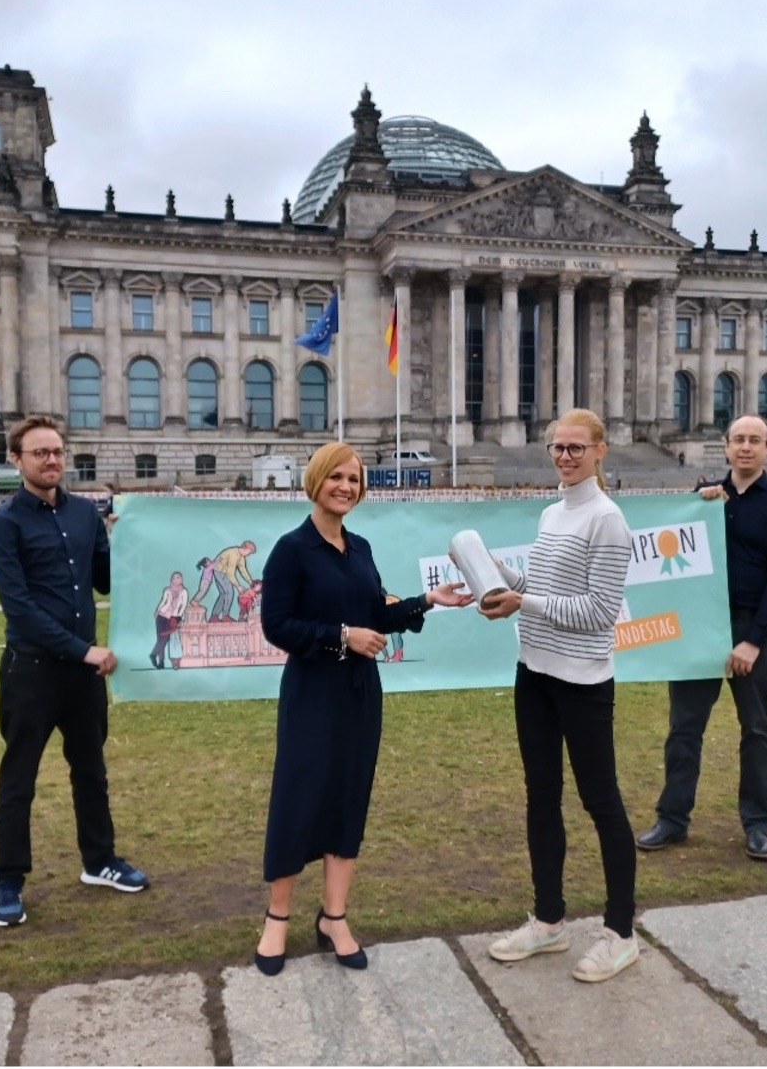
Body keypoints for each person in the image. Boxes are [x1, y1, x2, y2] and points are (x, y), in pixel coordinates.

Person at [252, 441, 471, 976]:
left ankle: (334, 916)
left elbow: (375, 612)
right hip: (311, 695)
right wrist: (342, 637)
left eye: (354, 480)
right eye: (337, 478)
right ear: (316, 481)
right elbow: (276, 627)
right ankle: (276, 918)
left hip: (359, 696)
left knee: (349, 800)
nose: (346, 487)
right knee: (297, 800)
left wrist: (426, 602)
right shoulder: (291, 549)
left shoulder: (363, 547)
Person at [479, 408, 640, 984]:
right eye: (557, 447)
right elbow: (544, 592)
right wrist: (501, 579)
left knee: (602, 801)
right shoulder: (553, 513)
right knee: (540, 797)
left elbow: (599, 613)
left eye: (576, 448)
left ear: (601, 451)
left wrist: (529, 603)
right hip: (535, 672)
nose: (565, 457)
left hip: (584, 680)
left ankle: (621, 933)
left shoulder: (608, 519)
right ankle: (549, 921)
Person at [0, 415, 148, 928]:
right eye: (39, 453)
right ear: (17, 460)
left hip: (82, 677)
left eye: (56, 452)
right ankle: (8, 881)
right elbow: (21, 609)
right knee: (19, 781)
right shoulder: (4, 523)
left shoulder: (83, 515)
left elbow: (104, 580)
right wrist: (85, 651)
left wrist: (129, 541)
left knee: (91, 772)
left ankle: (99, 862)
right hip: (31, 674)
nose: (51, 460)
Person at [637, 414, 767, 863]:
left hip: (752, 628)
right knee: (684, 729)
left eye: (755, 440)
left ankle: (758, 823)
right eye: (738, 440)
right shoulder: (704, 498)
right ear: (725, 447)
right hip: (699, 627)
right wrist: (697, 506)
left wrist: (753, 640)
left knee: (756, 729)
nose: (746, 447)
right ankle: (672, 818)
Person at [150, 571, 188, 669]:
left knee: (165, 638)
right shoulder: (167, 590)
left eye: (178, 577)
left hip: (172, 618)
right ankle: (161, 662)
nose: (176, 579)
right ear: (171, 580)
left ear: (182, 579)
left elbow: (183, 605)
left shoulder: (184, 592)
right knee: (160, 639)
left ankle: (154, 654)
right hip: (161, 616)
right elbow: (163, 601)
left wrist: (179, 617)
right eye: (174, 578)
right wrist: (157, 611)